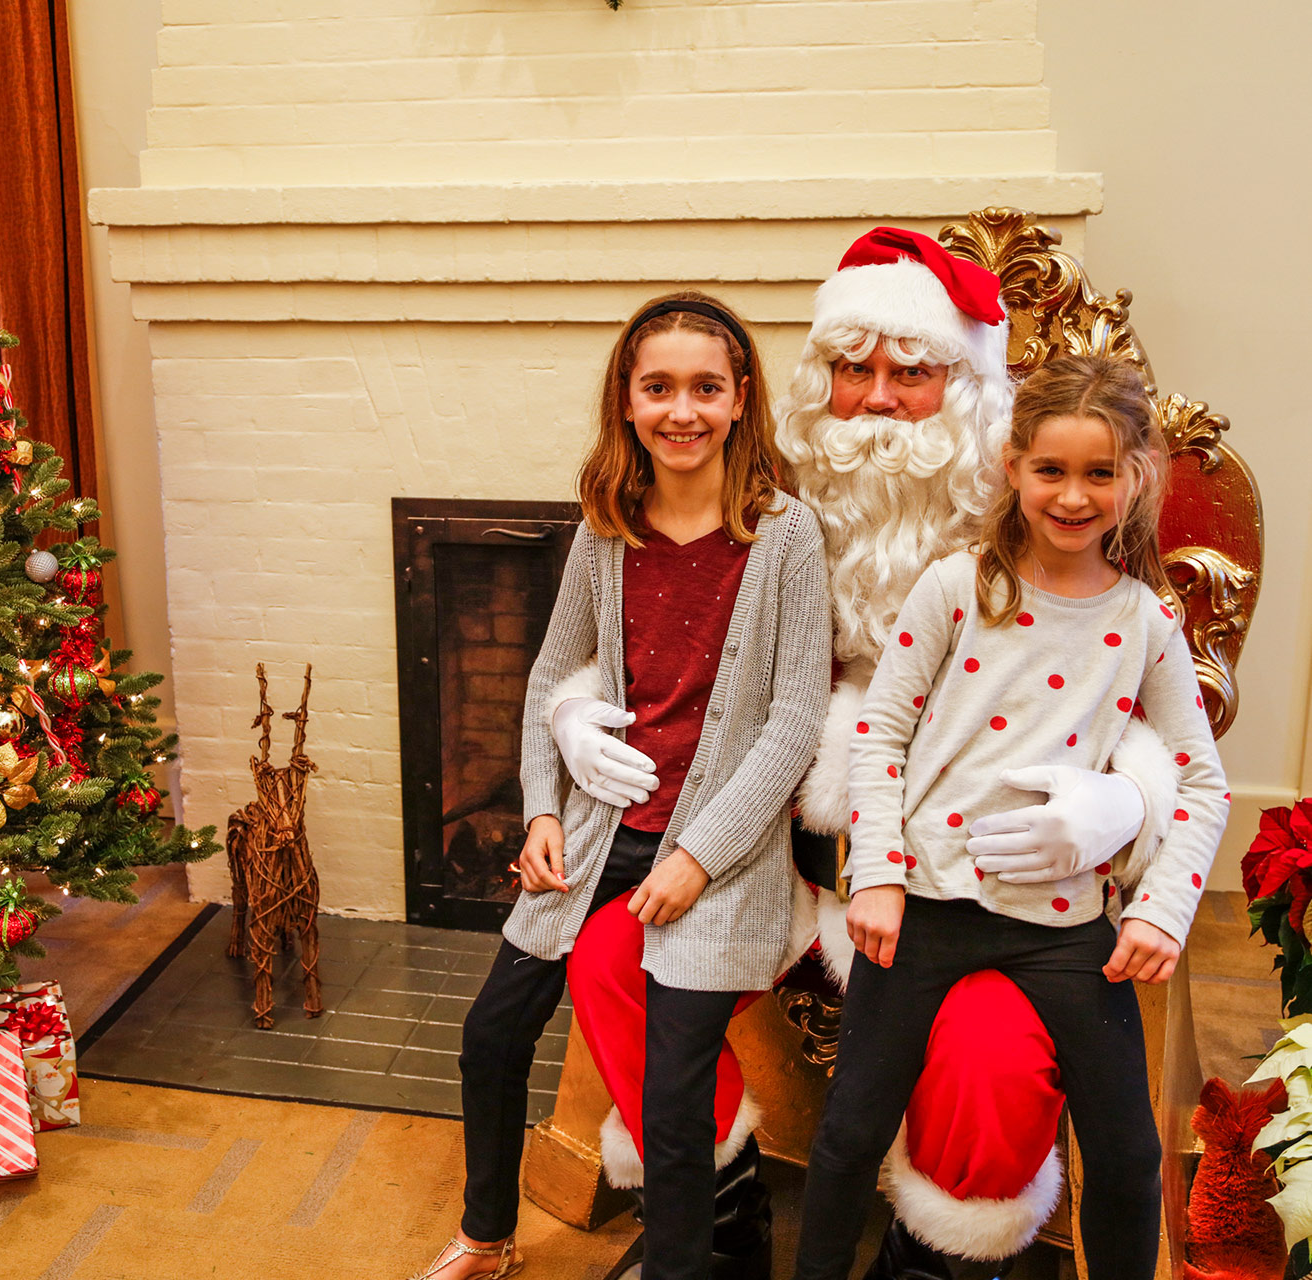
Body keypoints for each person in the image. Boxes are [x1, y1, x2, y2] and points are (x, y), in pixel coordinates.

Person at [553, 228, 1185, 1278]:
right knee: (612, 956)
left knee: (989, 1058)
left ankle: (932, 1254)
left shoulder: (1055, 518)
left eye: (913, 372)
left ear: (971, 392)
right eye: (854, 369)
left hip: (963, 893)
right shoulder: (763, 503)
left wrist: (1123, 800)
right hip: (774, 867)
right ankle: (713, 1209)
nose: (879, 400)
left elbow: (1159, 708)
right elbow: (649, 647)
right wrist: (580, 712)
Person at [405, 290, 831, 1280]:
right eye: (658, 387)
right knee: (490, 1033)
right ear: (628, 403)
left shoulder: (786, 536)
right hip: (603, 830)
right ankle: (486, 1234)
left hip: (718, 850)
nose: (681, 409)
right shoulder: (608, 530)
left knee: (671, 1093)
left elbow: (796, 718)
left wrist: (696, 856)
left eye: (704, 388)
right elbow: (553, 676)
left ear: (739, 400)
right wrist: (546, 807)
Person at [793, 354, 1229, 1279]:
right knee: (848, 1136)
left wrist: (1161, 909)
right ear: (1012, 467)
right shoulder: (957, 587)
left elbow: (1202, 784)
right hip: (925, 909)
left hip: (1061, 925)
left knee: (1129, 1154)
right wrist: (874, 873)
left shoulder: (1145, 622)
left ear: (1135, 477)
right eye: (1052, 470)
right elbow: (879, 737)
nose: (1073, 496)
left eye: (1099, 473)